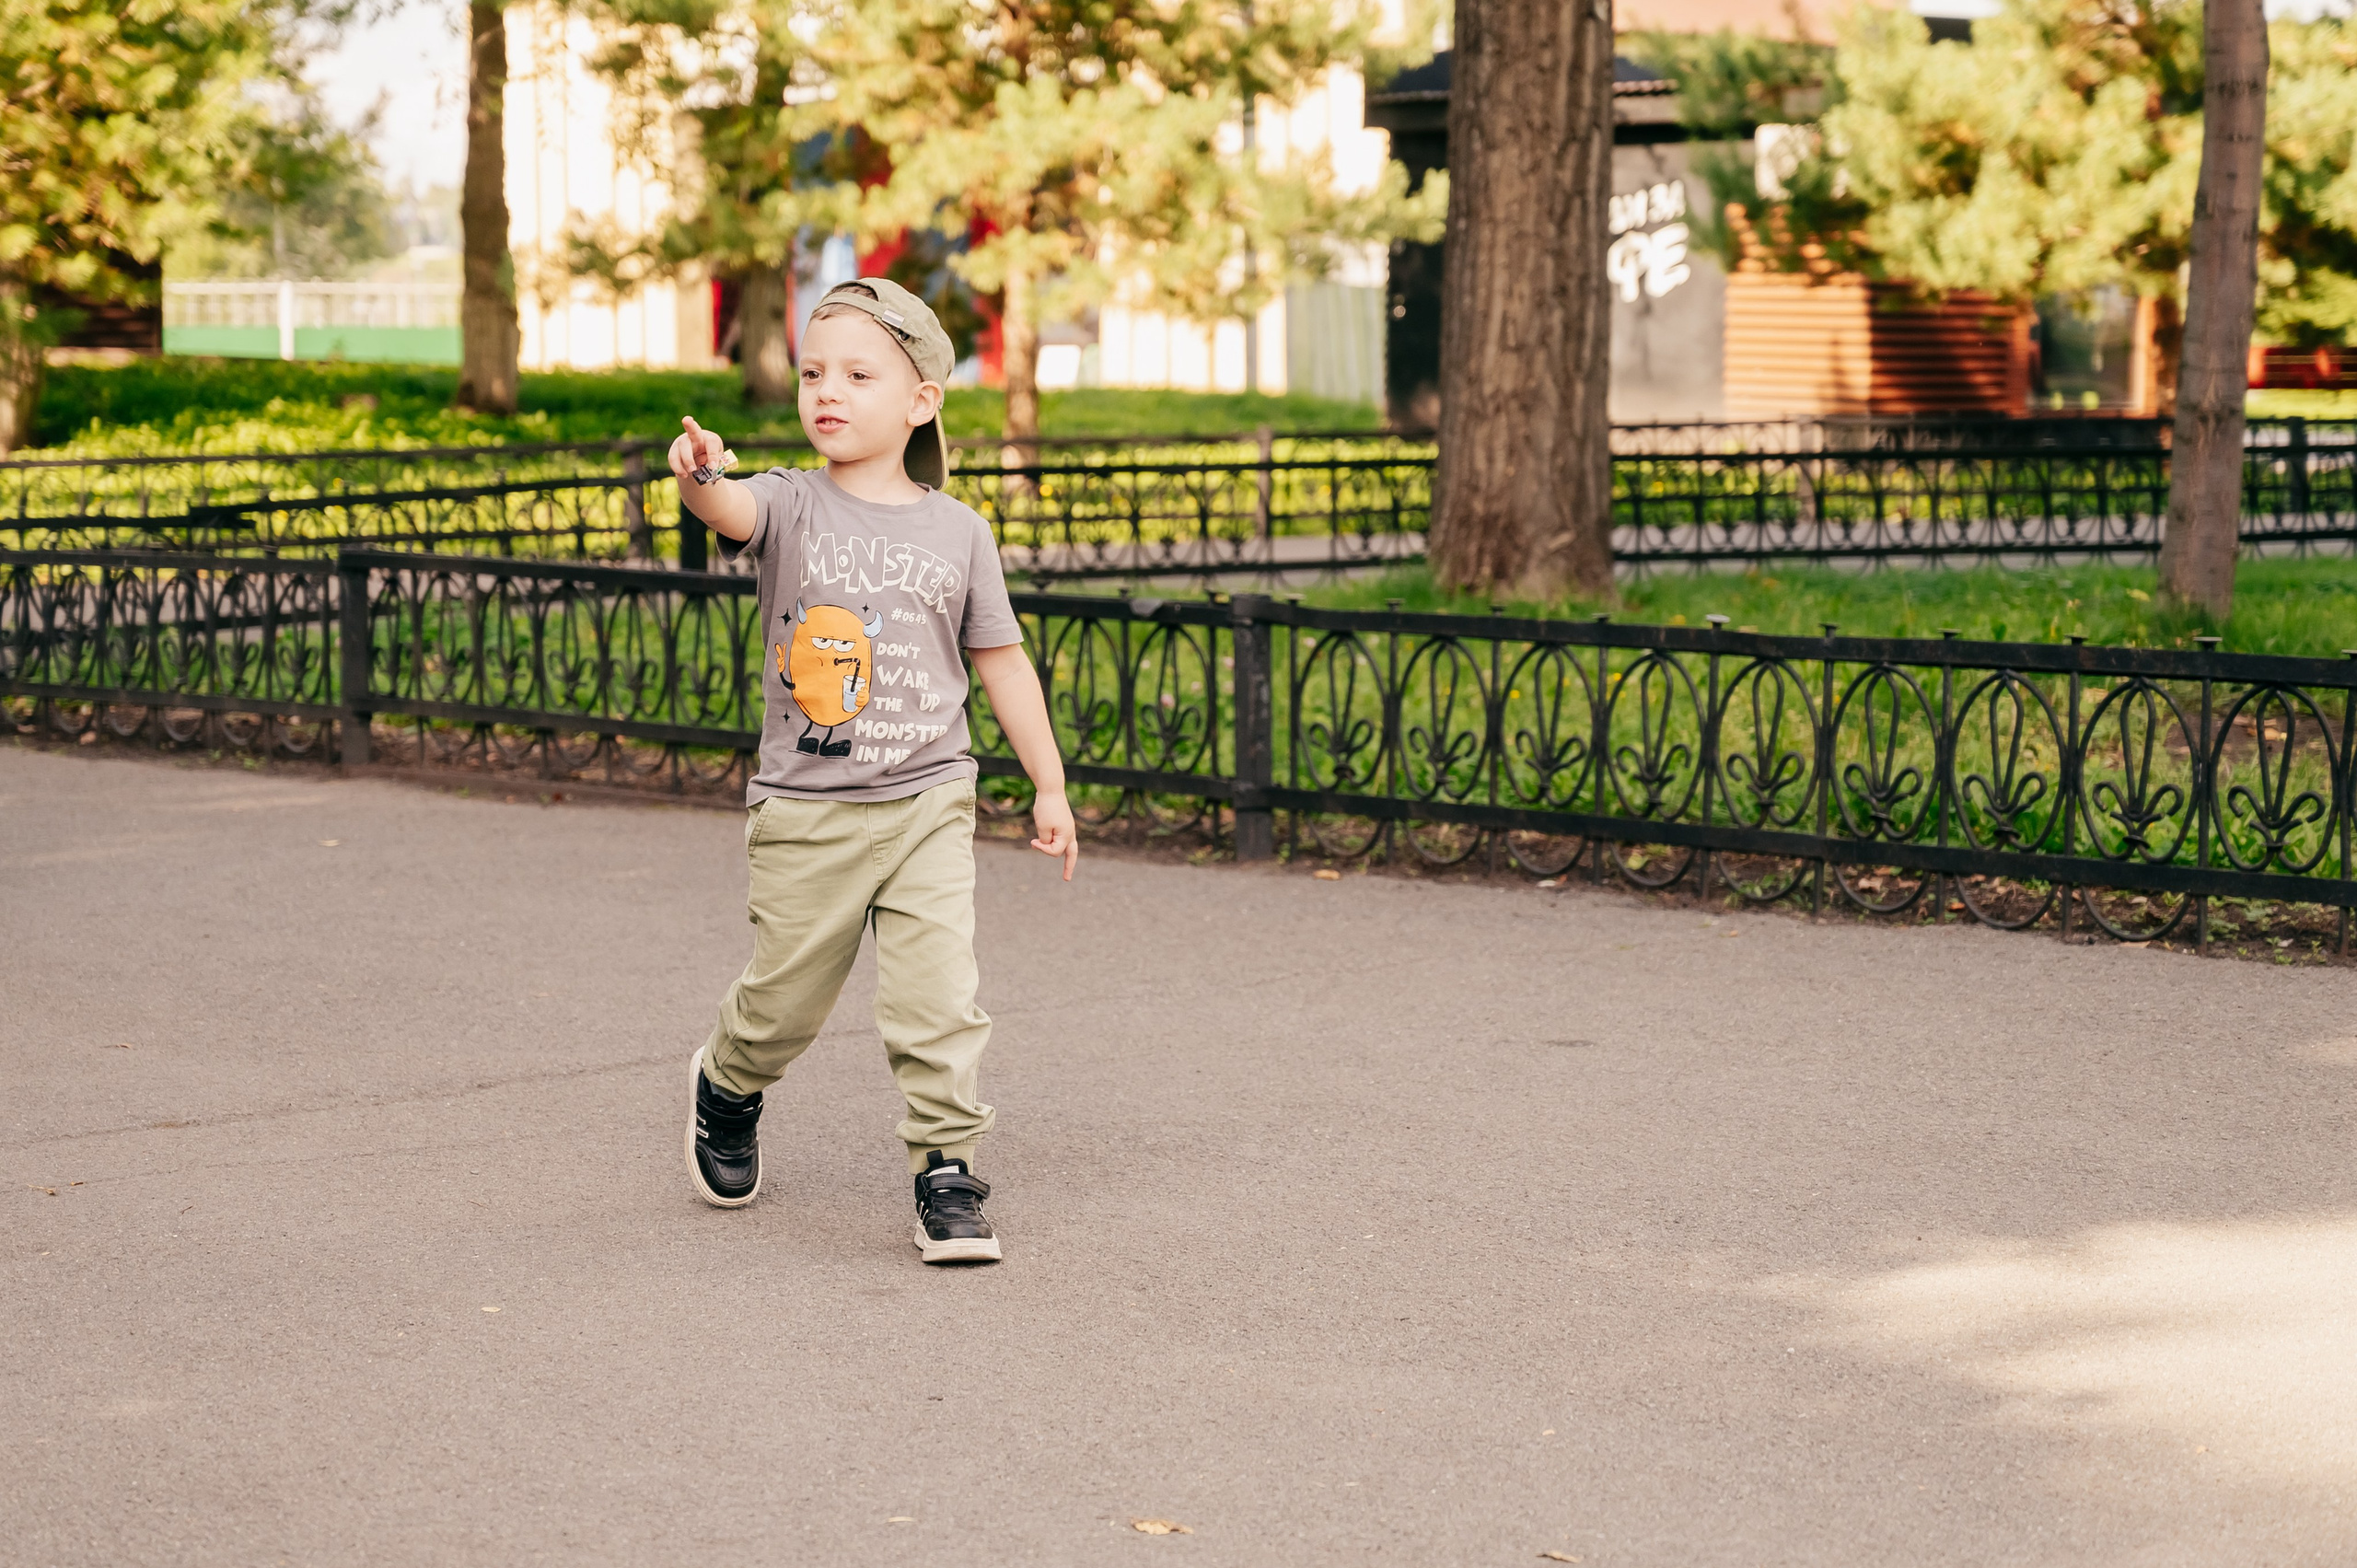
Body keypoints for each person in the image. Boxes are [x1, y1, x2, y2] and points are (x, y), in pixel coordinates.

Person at [668, 277, 1076, 1264]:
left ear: (922, 398)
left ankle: (947, 1169)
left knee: (939, 998)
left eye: (857, 372)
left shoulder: (959, 531)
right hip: (808, 807)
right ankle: (728, 1080)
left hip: (929, 798)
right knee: (785, 1006)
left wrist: (1049, 782)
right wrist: (695, 473)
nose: (827, 391)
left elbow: (1001, 659)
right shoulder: (792, 503)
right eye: (813, 372)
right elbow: (724, 508)